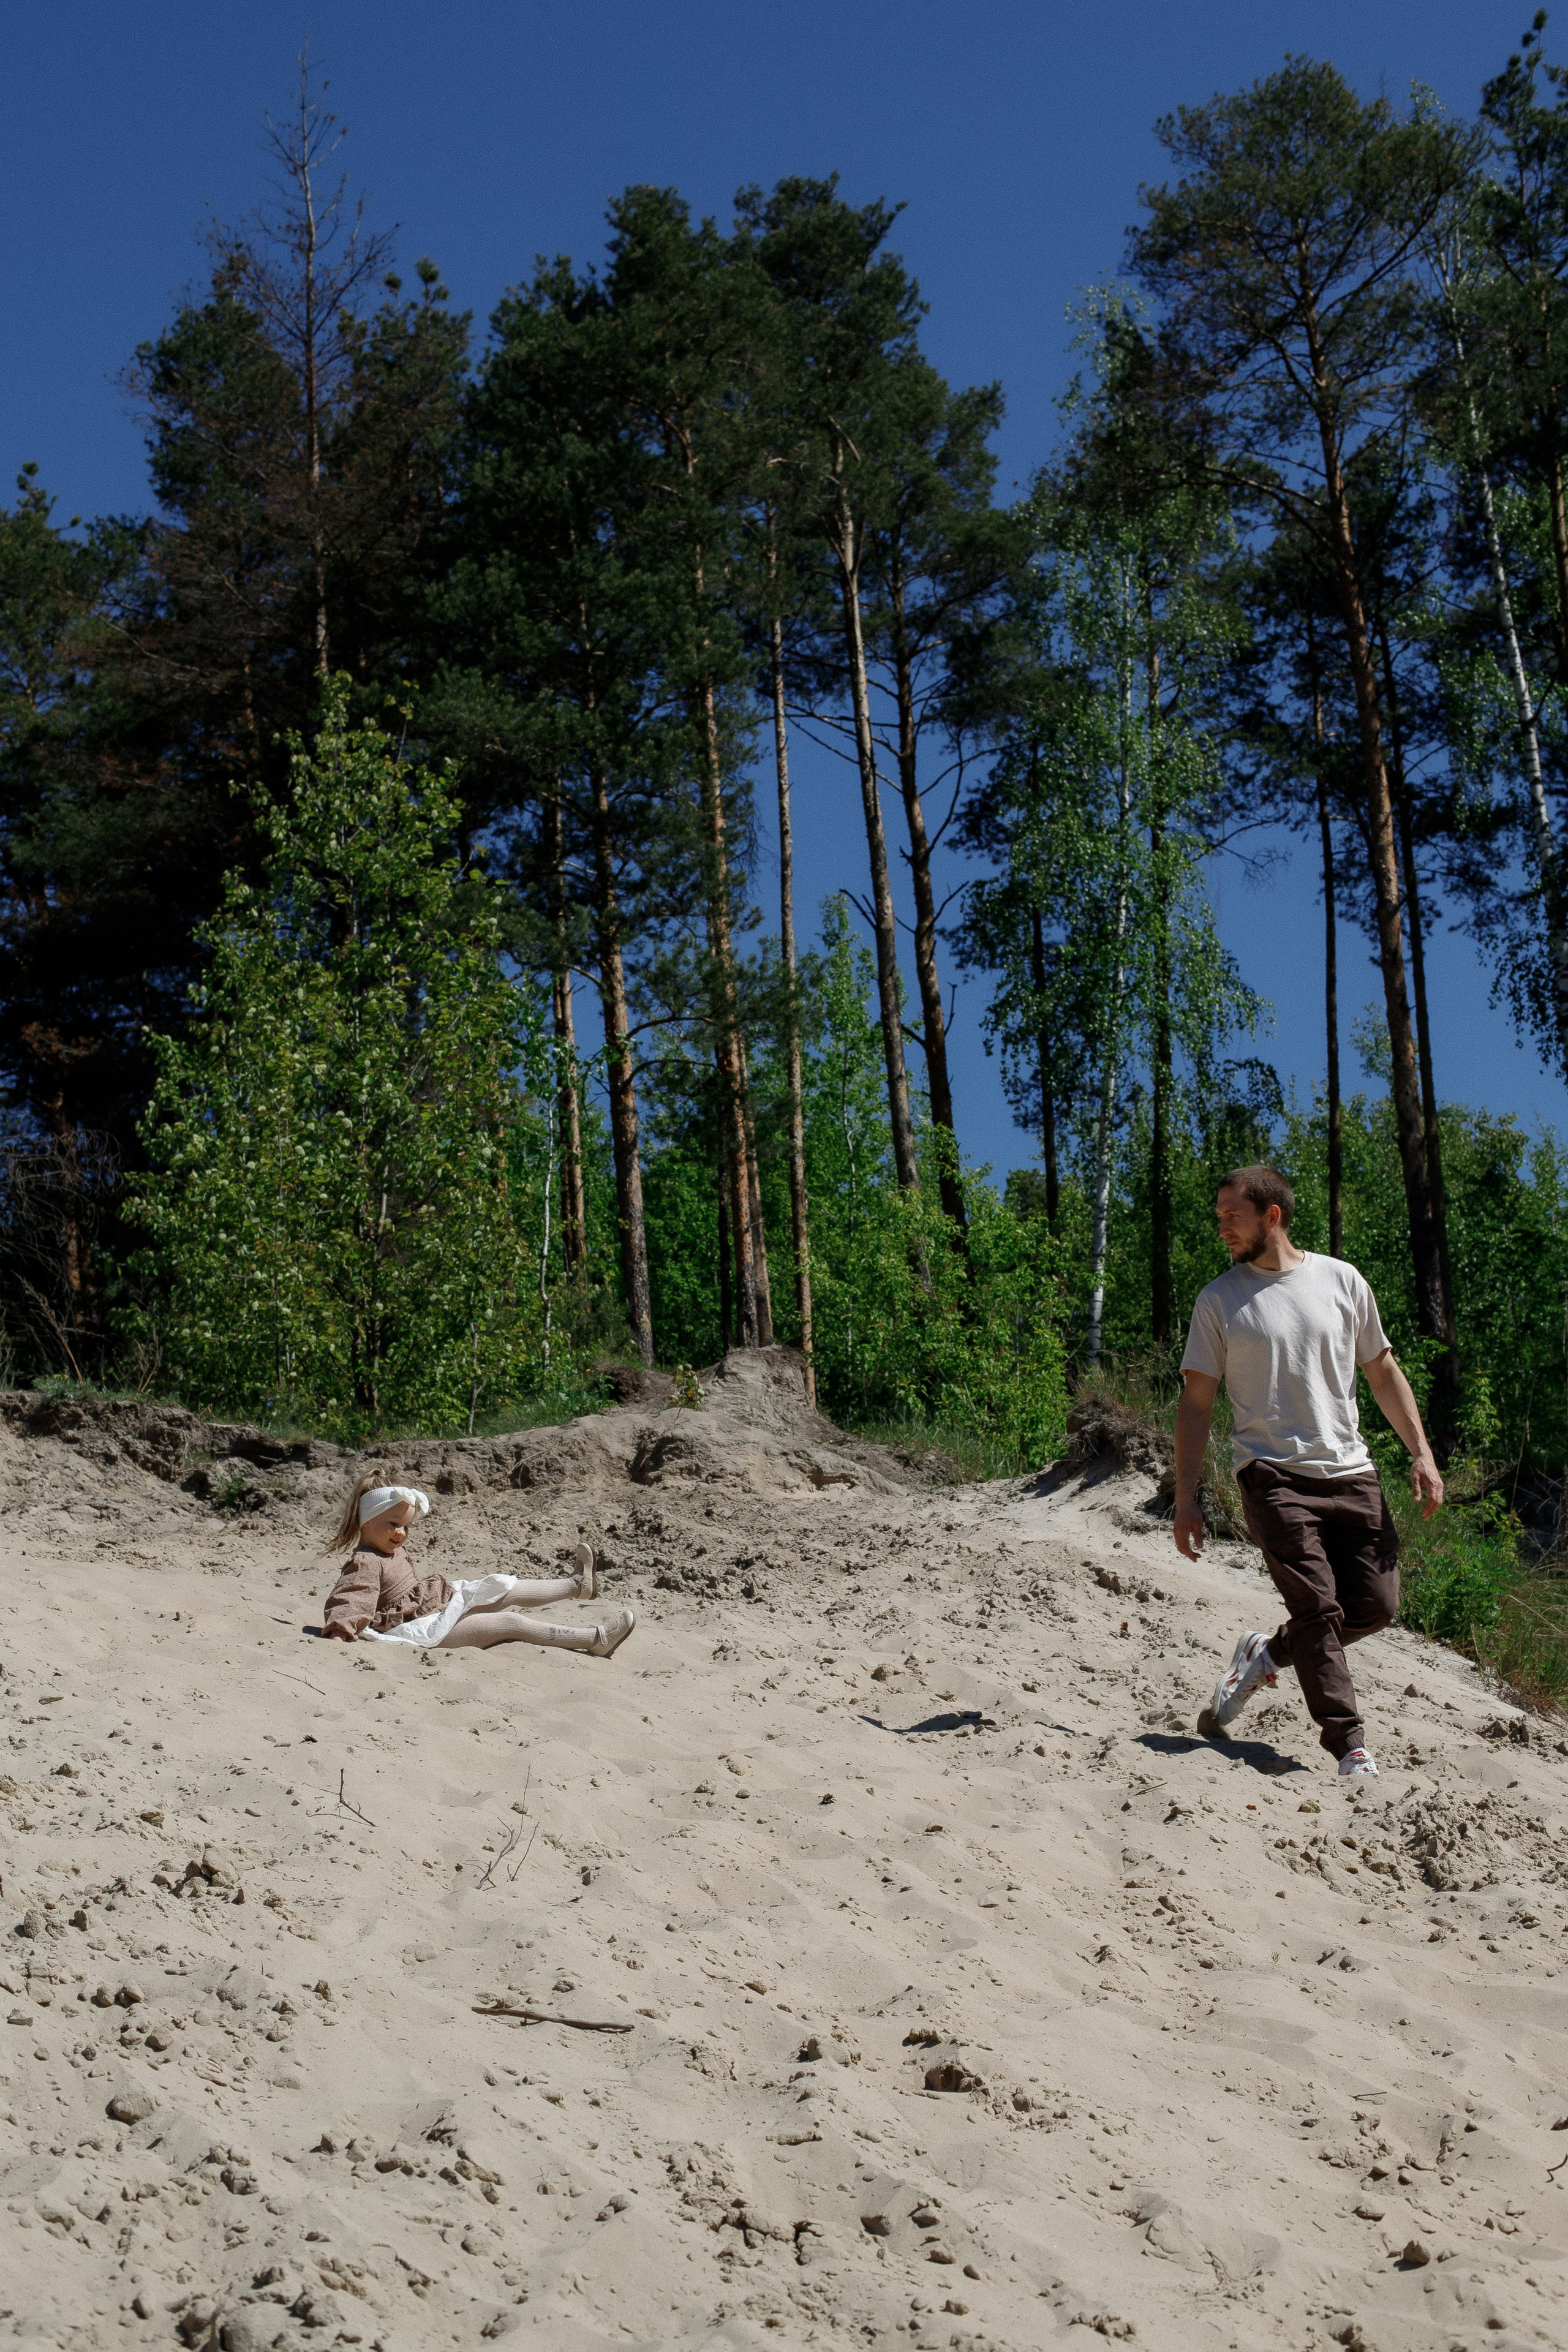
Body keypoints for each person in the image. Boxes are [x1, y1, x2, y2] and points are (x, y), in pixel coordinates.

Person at [1173, 1164, 1442, 1778]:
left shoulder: (1342, 1282)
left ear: (1272, 1216)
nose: (1222, 1228)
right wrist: (1186, 1497)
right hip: (1272, 1475)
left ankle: (1265, 1655)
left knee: (1374, 1606)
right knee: (1318, 1610)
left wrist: (1421, 1453)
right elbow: (1195, 1403)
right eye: (1218, 1217)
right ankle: (1350, 1749)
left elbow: (1381, 1373)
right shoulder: (1219, 1300)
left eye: (1231, 1216)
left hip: (1352, 1473)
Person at [321, 1474, 635, 1657]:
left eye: (406, 1527)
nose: (401, 1534)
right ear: (366, 1523)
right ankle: (596, 1641)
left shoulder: (388, 1550)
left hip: (436, 1607)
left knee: (501, 1586)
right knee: (511, 1622)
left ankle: (577, 1585)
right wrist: (341, 1629)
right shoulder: (365, 1561)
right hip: (422, 1631)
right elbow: (353, 1596)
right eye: (393, 1524)